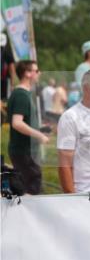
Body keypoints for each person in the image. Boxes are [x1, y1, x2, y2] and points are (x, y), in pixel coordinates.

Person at [6, 60, 48, 195]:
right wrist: (39, 135)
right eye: (36, 71)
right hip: (24, 151)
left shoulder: (23, 94)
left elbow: (24, 121)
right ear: (27, 74)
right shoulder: (21, 95)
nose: (39, 73)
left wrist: (41, 128)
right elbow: (17, 123)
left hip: (25, 151)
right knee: (32, 191)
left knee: (29, 189)